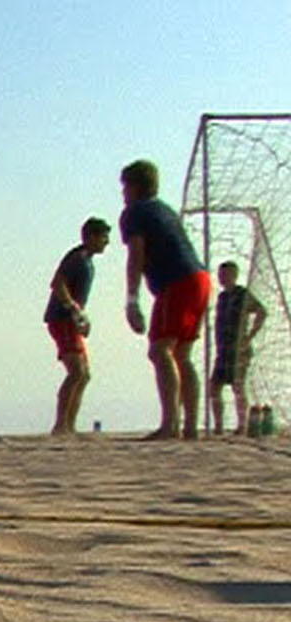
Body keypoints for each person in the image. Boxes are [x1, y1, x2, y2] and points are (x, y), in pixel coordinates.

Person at [118, 159, 213, 440]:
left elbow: (136, 255)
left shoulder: (134, 213)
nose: (123, 194)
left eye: (125, 188)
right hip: (200, 279)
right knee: (181, 355)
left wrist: (132, 300)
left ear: (134, 187)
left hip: (178, 281)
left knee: (161, 350)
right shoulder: (164, 210)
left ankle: (171, 423)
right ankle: (190, 426)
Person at [44, 217, 111, 435]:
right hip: (61, 319)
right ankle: (60, 426)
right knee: (76, 372)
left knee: (84, 375)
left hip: (71, 321)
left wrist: (81, 317)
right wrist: (73, 309)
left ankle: (69, 426)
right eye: (103, 237)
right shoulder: (77, 258)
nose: (107, 242)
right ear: (91, 237)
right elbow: (58, 284)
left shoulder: (88, 262)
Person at [209, 261, 268, 436]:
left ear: (234, 275)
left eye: (225, 274)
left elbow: (261, 311)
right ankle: (218, 424)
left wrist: (250, 335)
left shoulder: (242, 294)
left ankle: (242, 424)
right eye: (220, 275)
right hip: (223, 350)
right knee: (214, 386)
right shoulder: (222, 298)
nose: (222, 278)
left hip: (238, 349)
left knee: (238, 386)